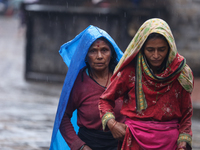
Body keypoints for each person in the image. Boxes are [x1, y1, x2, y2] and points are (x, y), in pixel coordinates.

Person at [99, 18, 194, 150]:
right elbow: (105, 100)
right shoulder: (130, 71)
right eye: (150, 50)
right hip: (135, 141)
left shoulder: (180, 73)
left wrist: (183, 142)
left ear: (170, 47)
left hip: (170, 143)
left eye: (161, 49)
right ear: (142, 48)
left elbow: (186, 113)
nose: (156, 55)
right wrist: (112, 124)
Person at [49, 25, 125, 150]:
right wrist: (80, 146)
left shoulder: (123, 79)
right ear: (85, 55)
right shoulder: (78, 82)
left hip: (120, 144)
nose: (99, 56)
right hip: (89, 144)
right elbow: (63, 117)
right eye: (93, 51)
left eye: (104, 50)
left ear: (112, 54)